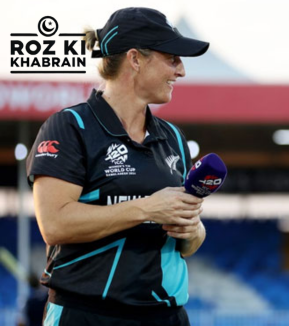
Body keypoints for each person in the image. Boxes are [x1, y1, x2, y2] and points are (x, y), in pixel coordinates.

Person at [26, 7, 209, 326]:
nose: (181, 71)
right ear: (136, 59)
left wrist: (193, 231)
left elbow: (188, 244)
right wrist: (148, 208)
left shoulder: (174, 137)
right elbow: (54, 224)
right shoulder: (70, 126)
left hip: (166, 316)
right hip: (85, 315)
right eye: (172, 58)